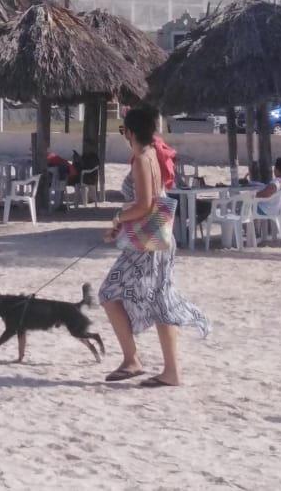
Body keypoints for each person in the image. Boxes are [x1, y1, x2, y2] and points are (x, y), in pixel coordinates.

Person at [100, 107, 210, 388]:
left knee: (109, 293)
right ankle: (169, 371)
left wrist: (117, 219)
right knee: (161, 301)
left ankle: (132, 360)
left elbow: (144, 205)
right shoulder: (154, 153)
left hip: (148, 244)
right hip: (159, 239)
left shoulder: (141, 159)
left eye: (124, 130)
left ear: (131, 132)